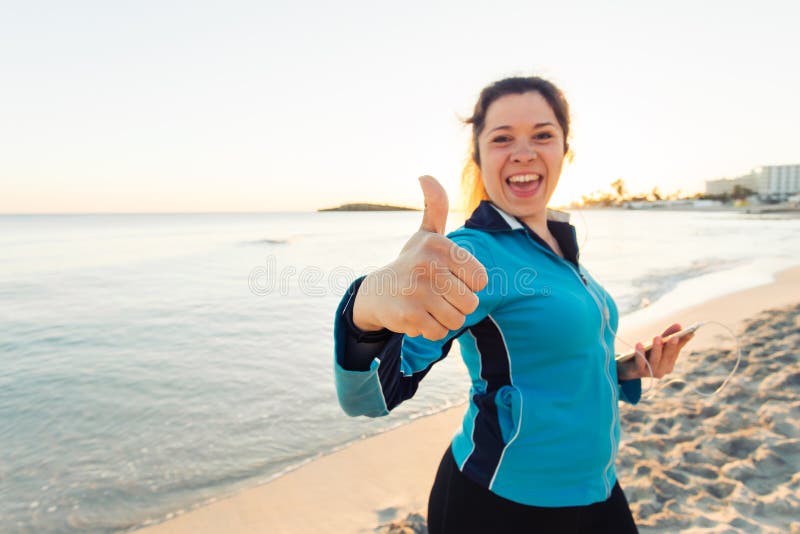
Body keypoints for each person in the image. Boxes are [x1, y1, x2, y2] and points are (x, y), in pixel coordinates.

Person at [332, 76, 693, 533]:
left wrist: (625, 369)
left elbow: (544, 360)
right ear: (478, 157)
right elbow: (373, 396)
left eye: (542, 135)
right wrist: (365, 311)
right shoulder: (474, 256)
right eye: (502, 139)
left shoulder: (558, 245)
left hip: (597, 488)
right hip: (501, 503)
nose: (523, 152)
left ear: (566, 149)